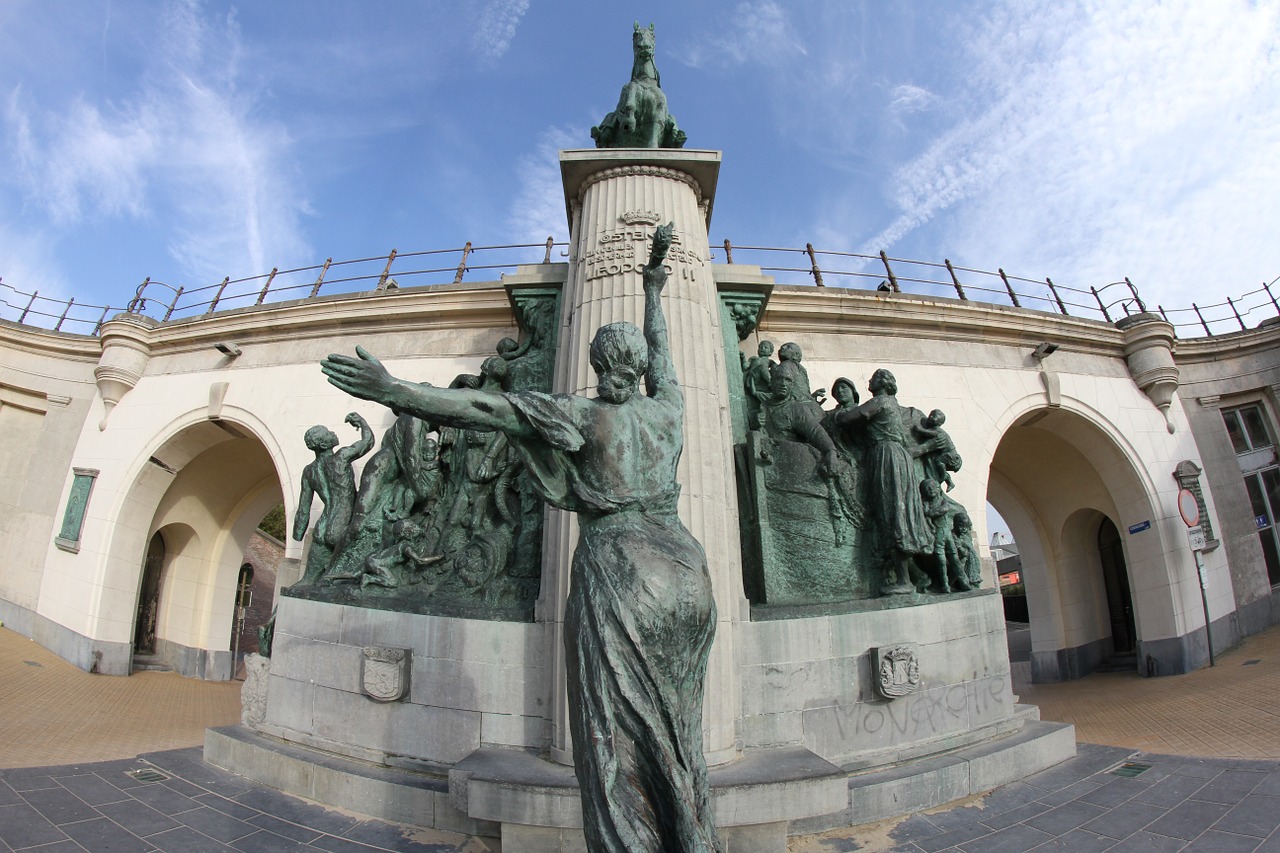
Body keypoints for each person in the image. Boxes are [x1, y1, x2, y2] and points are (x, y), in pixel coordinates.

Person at [321, 224, 721, 853]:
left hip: (622, 573)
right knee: (681, 732)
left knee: (612, 742)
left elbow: (485, 411)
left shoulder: (584, 416)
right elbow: (665, 350)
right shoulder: (669, 408)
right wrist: (651, 289)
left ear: (598, 366)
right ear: (639, 367)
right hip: (688, 575)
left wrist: (396, 392)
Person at [833, 369, 932, 595]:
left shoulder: (880, 402)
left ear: (882, 383)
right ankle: (915, 575)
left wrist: (836, 415)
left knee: (891, 512)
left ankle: (904, 580)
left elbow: (848, 418)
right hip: (899, 457)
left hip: (886, 455)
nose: (869, 381)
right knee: (895, 511)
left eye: (873, 378)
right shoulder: (894, 405)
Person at [292, 412, 374, 584]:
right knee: (345, 579)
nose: (333, 433)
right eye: (329, 433)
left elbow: (303, 510)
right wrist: (361, 421)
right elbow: (368, 442)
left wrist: (297, 535)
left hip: (322, 528)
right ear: (323, 443)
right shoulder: (341, 457)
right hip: (342, 524)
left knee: (307, 581)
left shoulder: (309, 471)